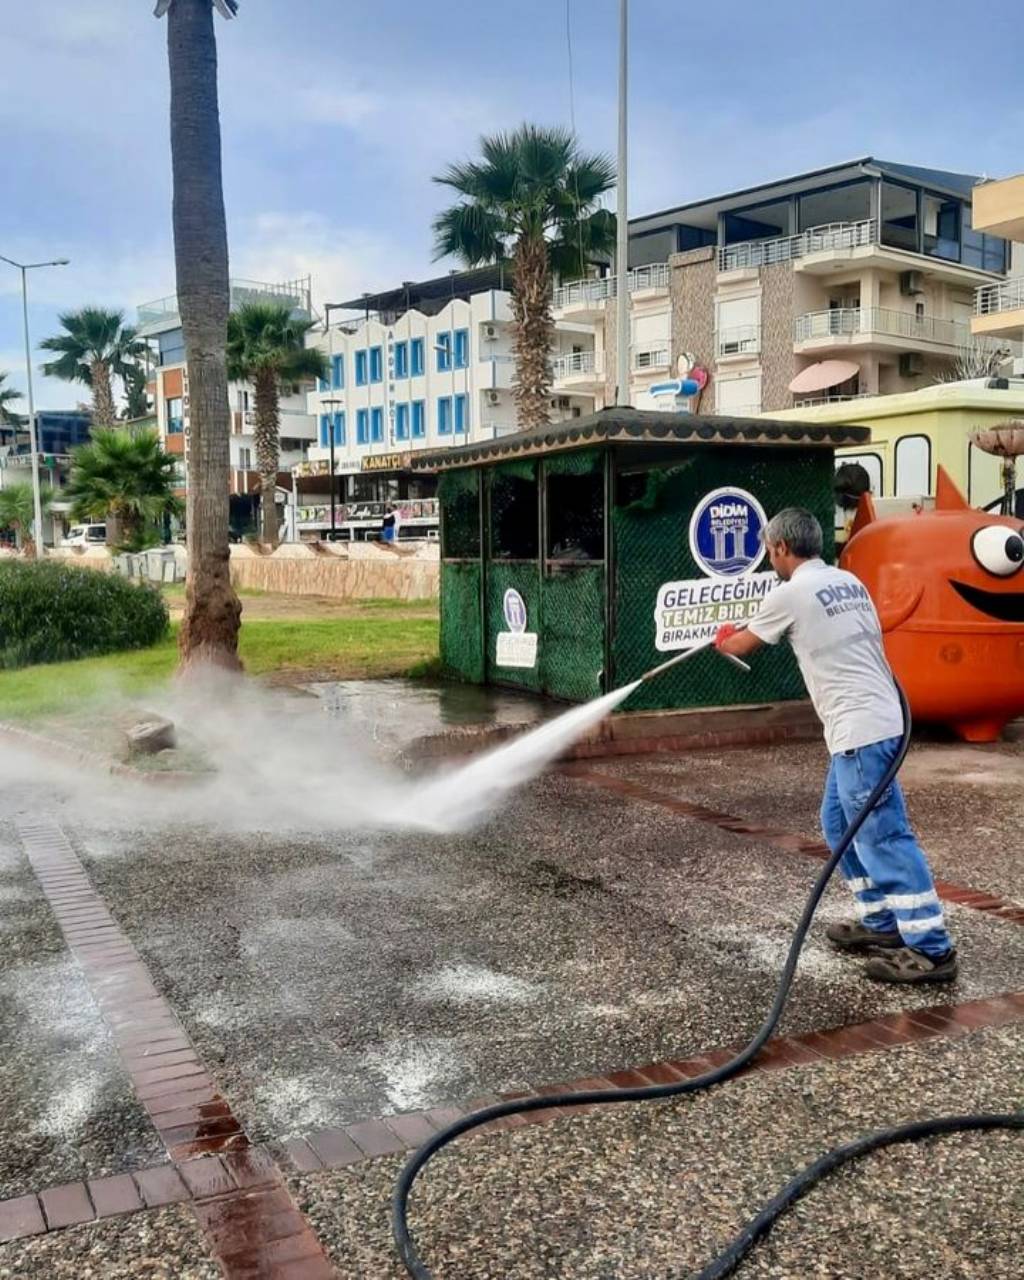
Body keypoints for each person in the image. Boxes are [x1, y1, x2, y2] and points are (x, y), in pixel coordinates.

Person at [715, 507, 957, 985]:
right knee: (837, 823)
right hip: (872, 723)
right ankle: (882, 920)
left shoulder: (791, 592)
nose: (770, 557)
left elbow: (741, 646)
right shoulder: (848, 582)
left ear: (781, 547)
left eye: (769, 549)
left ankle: (932, 946)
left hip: (861, 730)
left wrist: (723, 638)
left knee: (883, 835)